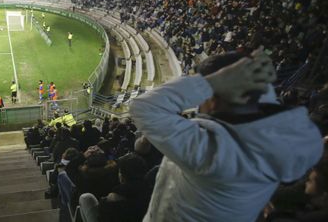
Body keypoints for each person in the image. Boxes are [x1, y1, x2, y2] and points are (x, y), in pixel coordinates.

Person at [129, 49, 324, 222]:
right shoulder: (274, 140)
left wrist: (211, 82)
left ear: (213, 98)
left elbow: (144, 107)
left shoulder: (213, 151)